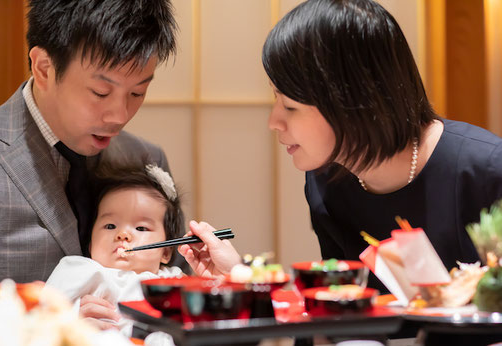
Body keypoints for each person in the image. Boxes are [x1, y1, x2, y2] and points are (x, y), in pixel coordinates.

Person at [179, 0, 502, 293]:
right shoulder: (326, 181)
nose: (273, 121)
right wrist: (240, 275)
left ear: (352, 100)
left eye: (290, 106)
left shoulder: (488, 171)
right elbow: (341, 314)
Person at [0, 0, 178, 284]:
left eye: (137, 93)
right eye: (100, 92)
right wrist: (53, 316)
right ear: (44, 68)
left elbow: (172, 289)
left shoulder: (145, 157)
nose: (119, 116)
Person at [46, 159, 184, 334]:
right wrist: (71, 322)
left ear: (166, 251)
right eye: (110, 226)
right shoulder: (81, 272)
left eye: (141, 228)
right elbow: (40, 320)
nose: (122, 234)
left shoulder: (175, 281)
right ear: (90, 244)